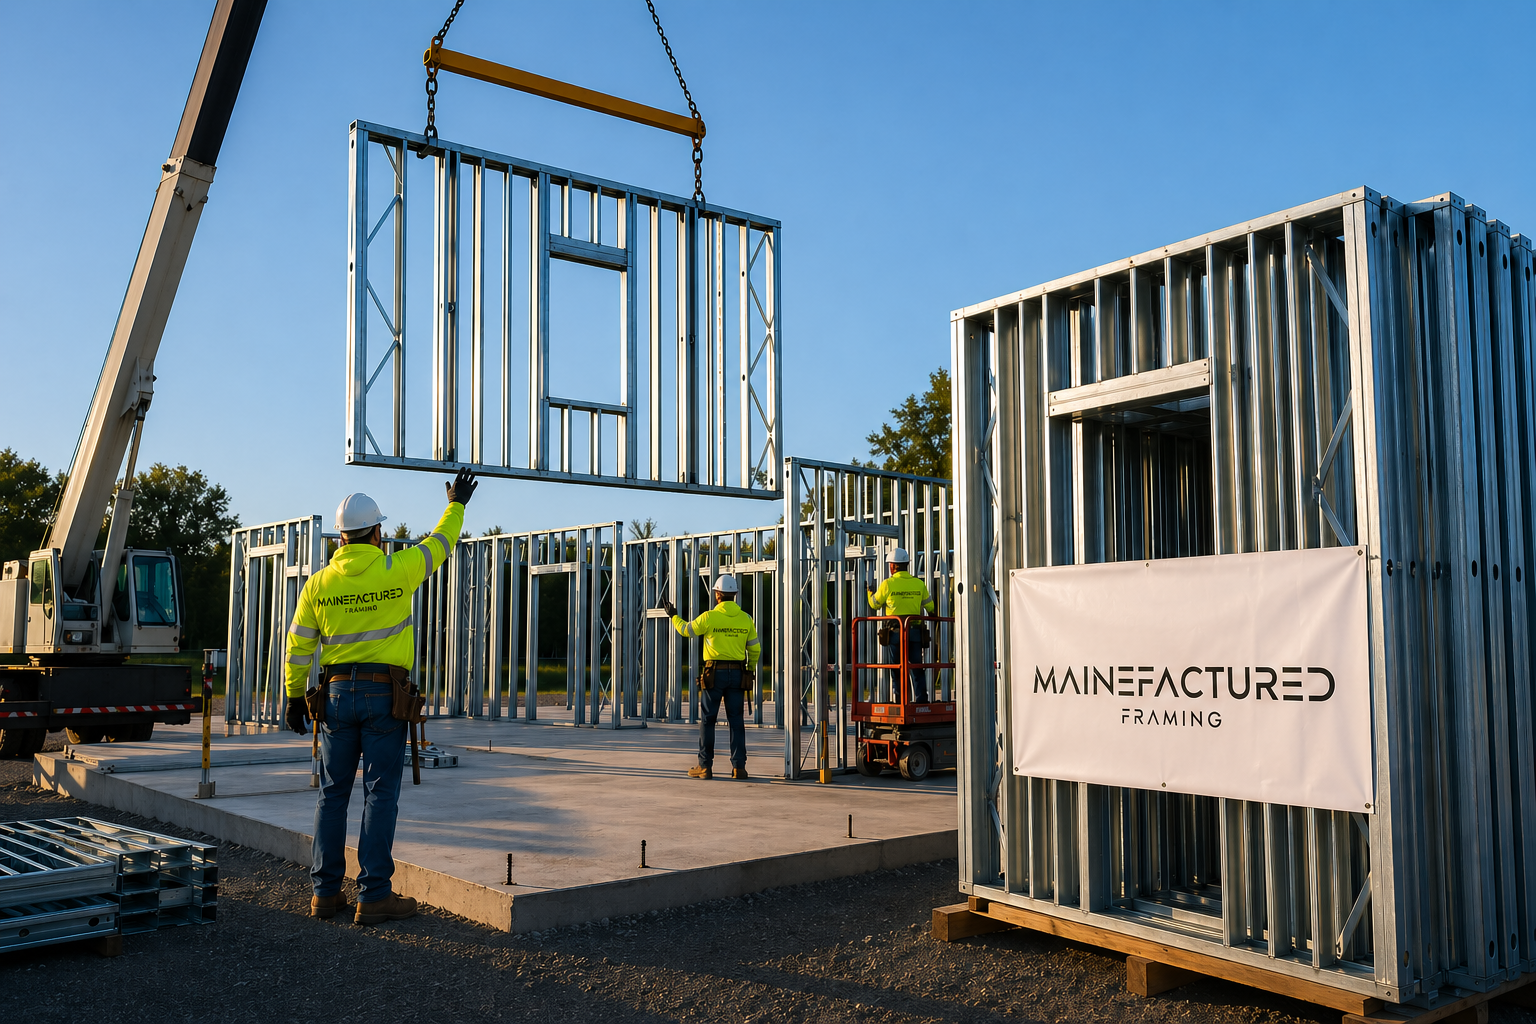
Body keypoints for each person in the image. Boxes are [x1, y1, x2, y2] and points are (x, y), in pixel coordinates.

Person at [284, 468, 477, 924]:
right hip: (385, 696)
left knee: (332, 794)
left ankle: (325, 894)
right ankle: (373, 897)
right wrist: (457, 504)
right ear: (377, 533)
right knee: (379, 793)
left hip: (333, 696)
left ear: (341, 538)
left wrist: (294, 697)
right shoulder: (398, 568)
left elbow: (298, 647)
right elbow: (440, 544)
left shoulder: (318, 585)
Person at [660, 574, 759, 780]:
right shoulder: (746, 619)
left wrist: (674, 616)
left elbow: (687, 631)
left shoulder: (709, 617)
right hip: (738, 674)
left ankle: (705, 766)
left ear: (717, 595)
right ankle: (739, 767)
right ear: (735, 595)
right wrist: (750, 667)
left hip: (713, 674)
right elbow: (755, 648)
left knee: (708, 720)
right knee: (736, 721)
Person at [865, 548, 936, 703]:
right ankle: (921, 700)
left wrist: (870, 593)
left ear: (893, 566)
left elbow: (875, 605)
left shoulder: (888, 584)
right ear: (906, 564)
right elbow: (930, 608)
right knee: (916, 667)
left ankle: (900, 700)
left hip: (896, 634)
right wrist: (934, 617)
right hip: (915, 633)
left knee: (897, 668)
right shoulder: (919, 584)